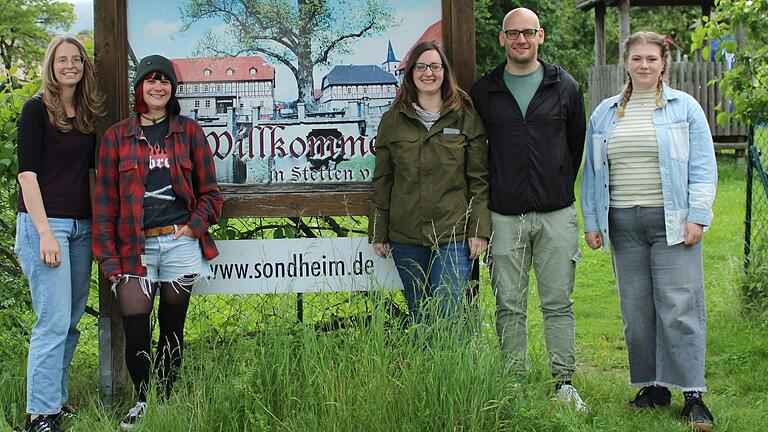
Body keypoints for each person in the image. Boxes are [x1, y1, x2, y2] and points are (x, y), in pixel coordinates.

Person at [581, 31, 717, 431]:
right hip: (624, 223)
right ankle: (653, 387)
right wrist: (593, 221)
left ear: (663, 64)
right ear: (626, 63)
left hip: (672, 222)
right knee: (637, 312)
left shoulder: (684, 108)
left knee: (679, 308)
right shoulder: (605, 113)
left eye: (651, 59)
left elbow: (703, 167)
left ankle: (692, 393)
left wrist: (698, 214)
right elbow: (592, 173)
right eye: (637, 58)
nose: (644, 65)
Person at [93, 55, 222, 429]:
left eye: (163, 81)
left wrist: (192, 227)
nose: (157, 87)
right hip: (135, 249)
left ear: (172, 88)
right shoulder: (118, 136)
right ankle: (142, 399)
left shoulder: (189, 132)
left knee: (172, 328)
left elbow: (211, 194)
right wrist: (110, 265)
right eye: (150, 81)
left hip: (178, 243)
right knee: (135, 329)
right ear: (139, 88)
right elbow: (104, 207)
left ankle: (164, 399)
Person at [470, 8, 587, 410]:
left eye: (528, 33)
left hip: (556, 214)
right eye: (513, 33)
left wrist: (554, 184)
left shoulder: (565, 86)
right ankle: (514, 381)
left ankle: (564, 384)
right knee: (509, 305)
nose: (521, 40)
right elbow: (477, 154)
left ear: (542, 36)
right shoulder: (484, 91)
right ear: (502, 39)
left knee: (558, 303)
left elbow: (575, 145)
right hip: (504, 215)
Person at [14, 35, 104, 432]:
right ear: (51, 65)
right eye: (62, 59)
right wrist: (45, 233)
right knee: (51, 321)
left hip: (81, 227)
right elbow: (27, 176)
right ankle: (39, 415)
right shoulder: (35, 110)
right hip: (45, 227)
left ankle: (55, 402)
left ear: (84, 65)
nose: (70, 65)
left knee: (68, 321)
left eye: (76, 59)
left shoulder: (86, 114)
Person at [370, 42, 490, 326]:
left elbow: (479, 179)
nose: (428, 73)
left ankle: (451, 370)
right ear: (410, 73)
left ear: (445, 72)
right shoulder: (392, 120)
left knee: (447, 316)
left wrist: (478, 230)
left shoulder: (465, 117)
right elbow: (383, 179)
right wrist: (378, 230)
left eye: (435, 66)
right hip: (406, 236)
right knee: (420, 314)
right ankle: (427, 371)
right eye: (421, 67)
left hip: (453, 236)